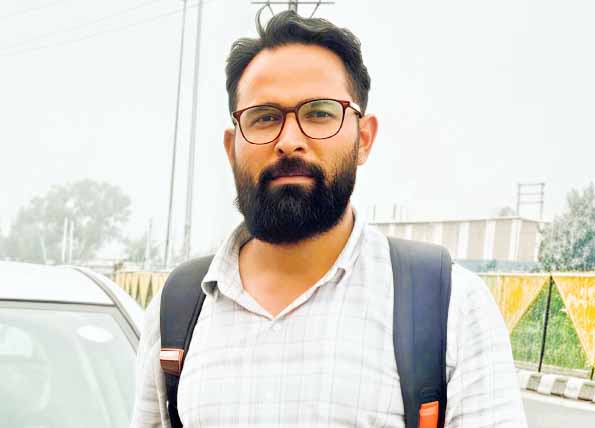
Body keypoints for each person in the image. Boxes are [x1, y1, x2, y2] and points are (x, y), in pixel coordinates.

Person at [130, 10, 527, 427]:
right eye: (264, 117)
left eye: (319, 113)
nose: (289, 141)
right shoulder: (178, 312)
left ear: (364, 139)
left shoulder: (449, 309)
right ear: (232, 148)